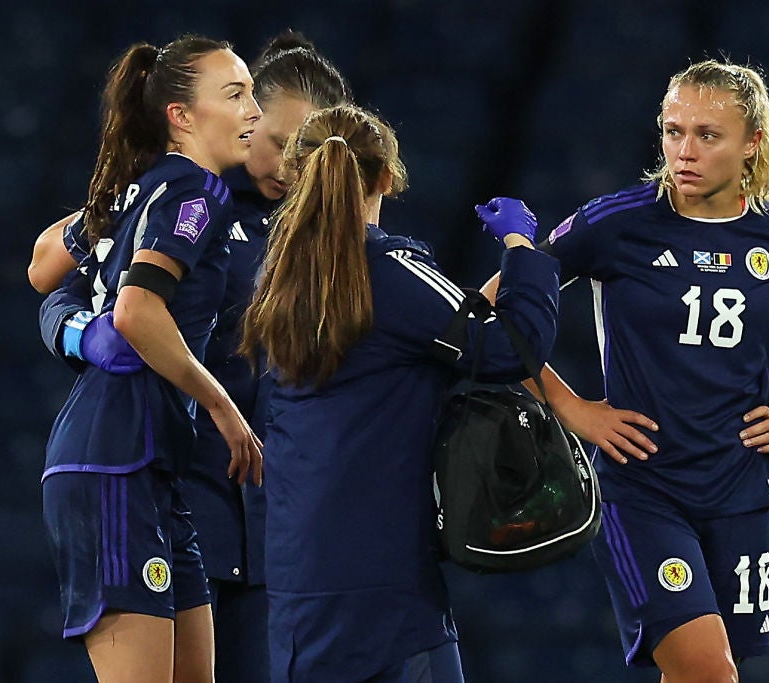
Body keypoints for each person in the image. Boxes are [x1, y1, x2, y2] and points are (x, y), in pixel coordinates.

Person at [480, 59, 769, 682]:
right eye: (674, 131)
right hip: (642, 490)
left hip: (737, 490)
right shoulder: (614, 223)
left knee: (694, 674)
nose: (685, 150)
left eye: (708, 134)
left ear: (752, 142)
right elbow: (495, 313)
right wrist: (574, 409)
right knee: (710, 672)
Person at [34, 30, 352, 683]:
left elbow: (46, 262)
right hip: (139, 460)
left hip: (205, 495)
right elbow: (85, 294)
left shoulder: (312, 231)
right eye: (240, 100)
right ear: (188, 113)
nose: (259, 123)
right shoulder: (192, 193)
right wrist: (80, 334)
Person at [238, 103, 561, 682]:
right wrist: (520, 248)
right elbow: (513, 349)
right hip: (386, 577)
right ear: (387, 177)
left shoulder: (275, 275)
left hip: (296, 580)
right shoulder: (391, 266)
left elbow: (416, 336)